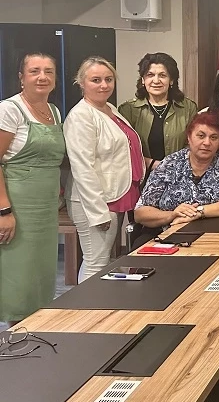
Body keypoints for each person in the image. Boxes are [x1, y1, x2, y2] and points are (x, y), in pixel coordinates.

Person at [64, 57, 144, 282]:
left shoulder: (109, 109)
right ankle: (87, 304)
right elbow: (83, 167)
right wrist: (98, 212)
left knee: (104, 261)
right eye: (96, 80)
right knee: (95, 262)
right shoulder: (81, 116)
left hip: (113, 194)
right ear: (82, 83)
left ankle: (99, 303)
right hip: (95, 201)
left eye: (109, 79)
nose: (104, 85)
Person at [0, 53, 65, 324]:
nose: (42, 77)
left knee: (41, 275)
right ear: (21, 77)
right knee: (19, 276)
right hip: (18, 206)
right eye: (35, 71)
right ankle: (16, 335)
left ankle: (37, 330)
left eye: (48, 71)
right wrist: (4, 211)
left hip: (46, 209)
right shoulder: (9, 110)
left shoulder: (55, 112)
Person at [133, 112, 219, 240]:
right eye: (201, 136)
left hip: (213, 236)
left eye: (213, 137)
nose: (207, 142)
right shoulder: (170, 163)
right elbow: (140, 213)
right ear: (189, 137)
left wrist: (199, 211)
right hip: (165, 234)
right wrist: (173, 214)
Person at [118, 52, 198, 170]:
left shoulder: (188, 108)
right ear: (143, 80)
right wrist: (154, 165)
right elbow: (124, 149)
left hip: (179, 173)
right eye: (150, 75)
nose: (156, 80)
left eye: (162, 75)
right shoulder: (128, 109)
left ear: (171, 80)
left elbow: (193, 144)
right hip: (142, 175)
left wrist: (172, 167)